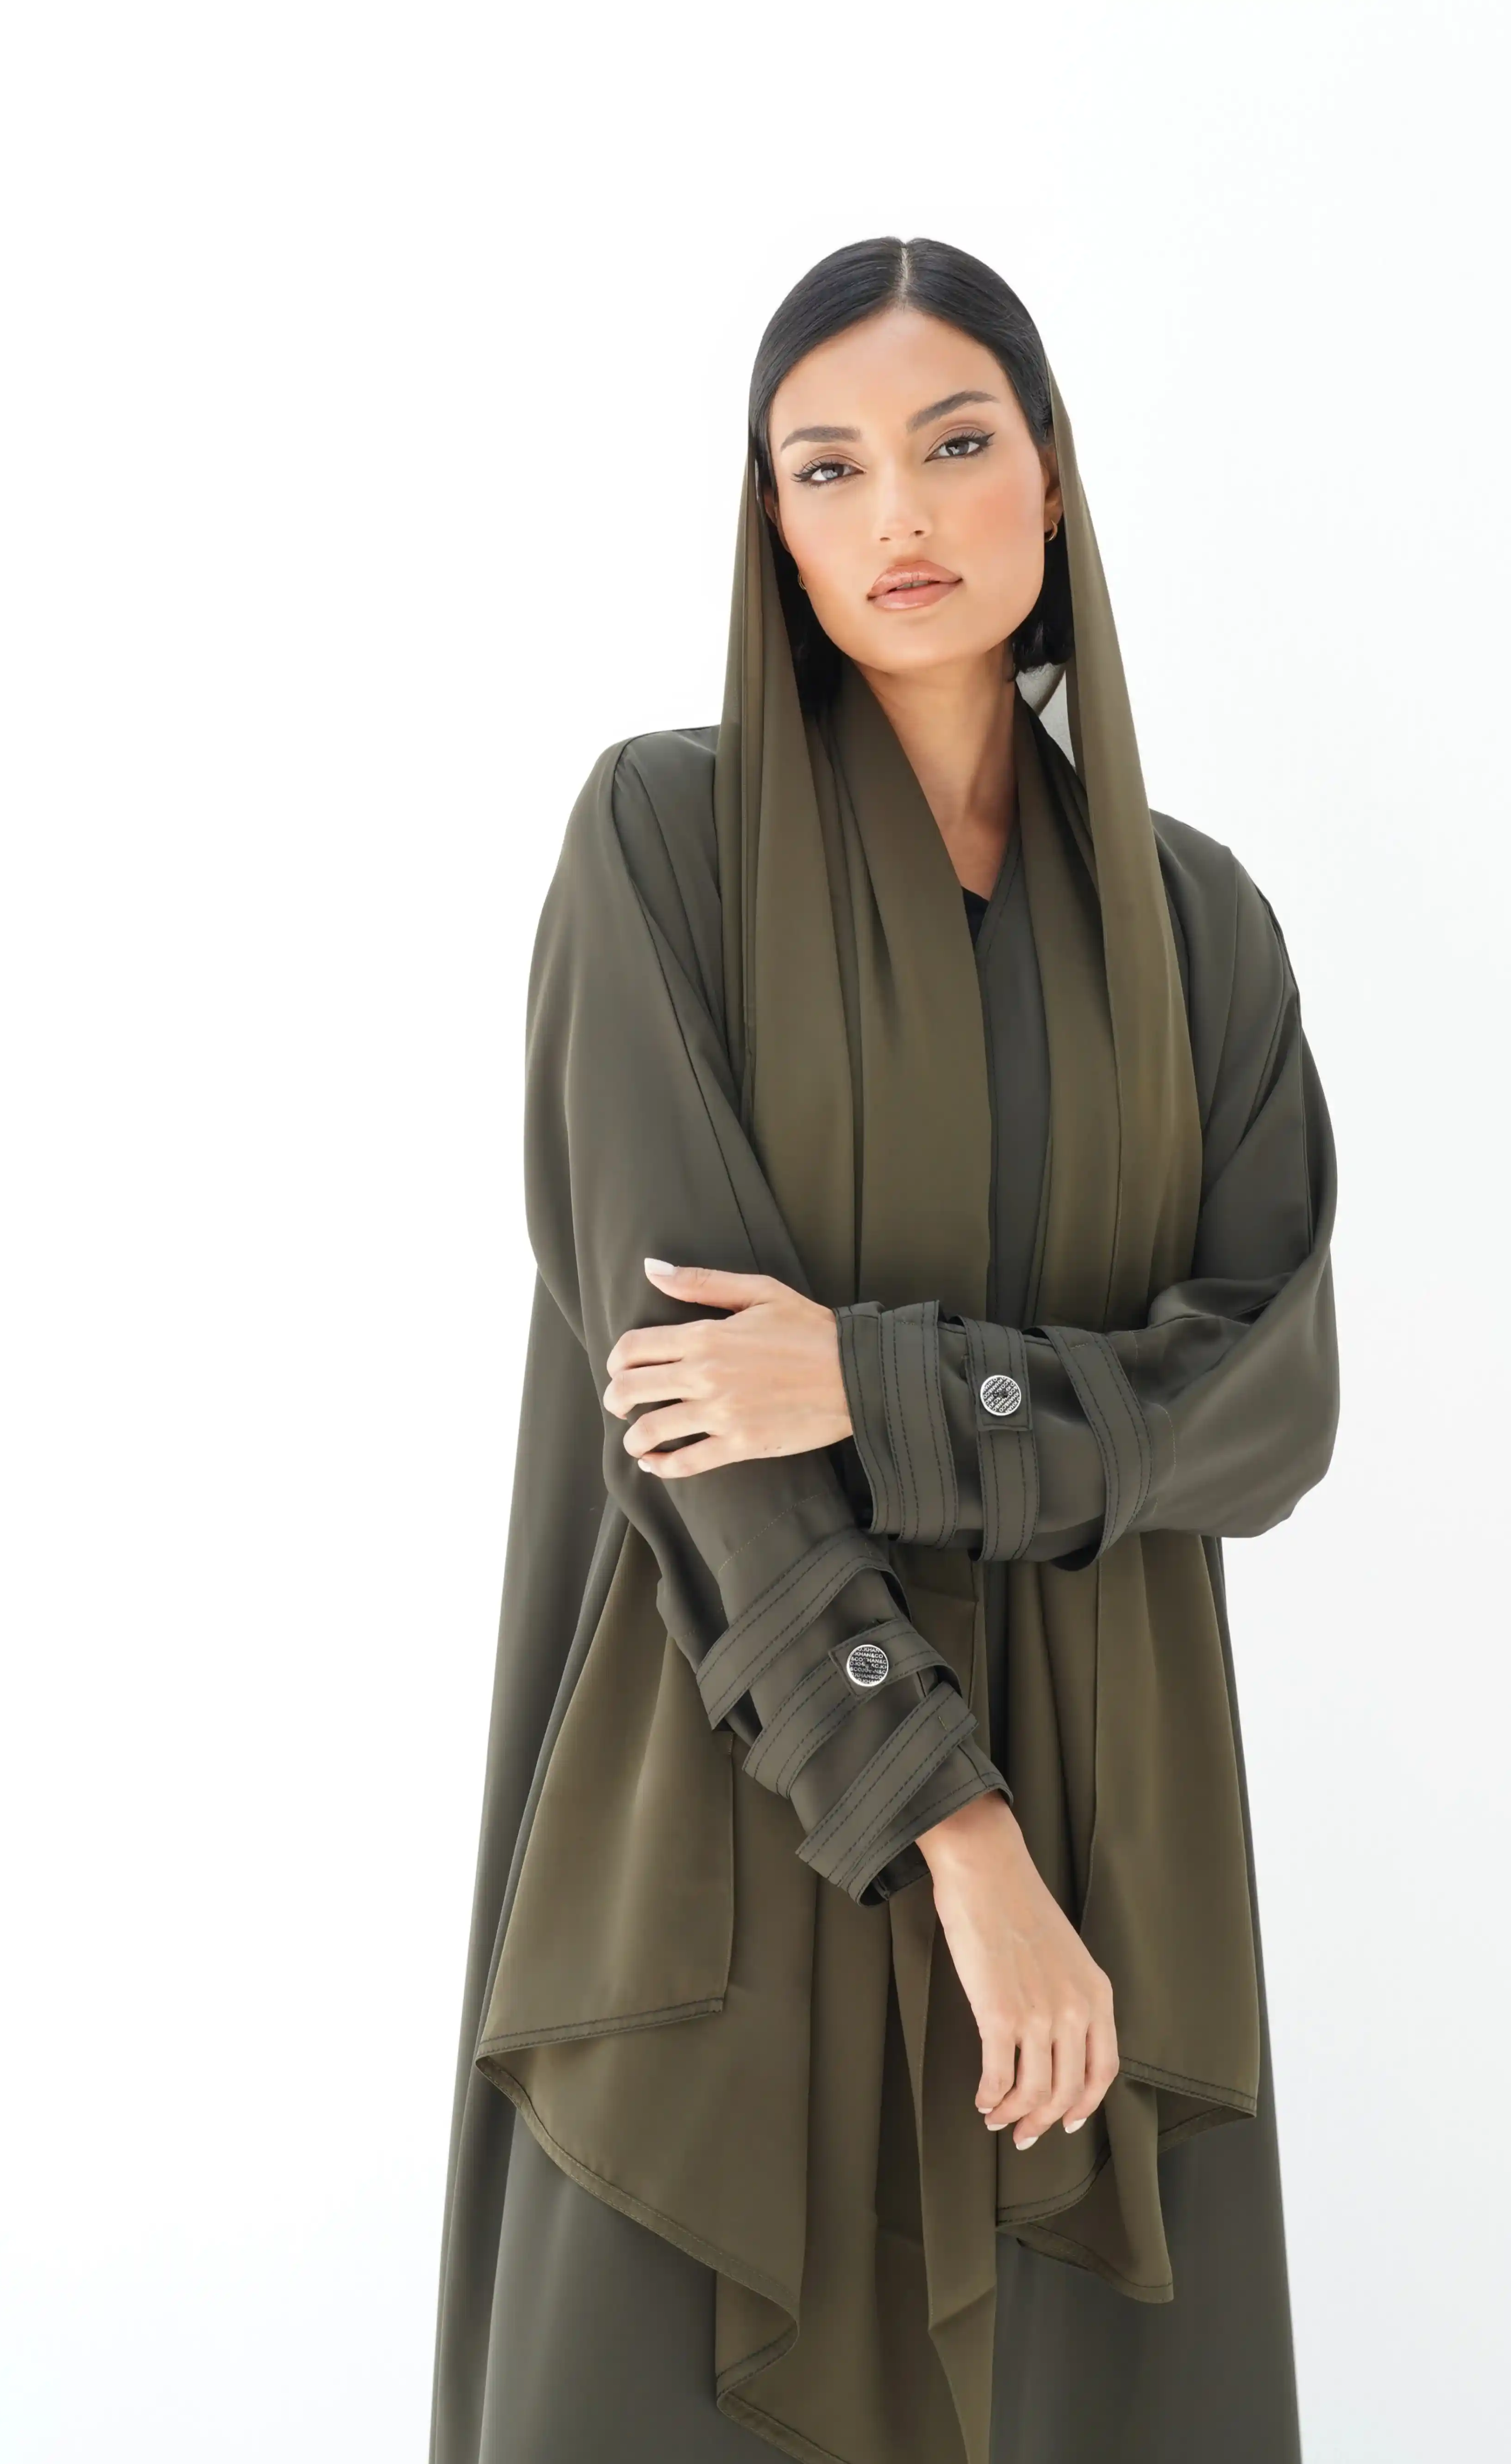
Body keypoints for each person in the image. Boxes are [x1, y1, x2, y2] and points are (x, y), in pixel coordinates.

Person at [430, 235, 1339, 2464]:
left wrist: (882, 1383)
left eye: (953, 444)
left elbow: (1269, 1403)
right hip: (738, 1842)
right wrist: (967, 1842)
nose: (899, 514)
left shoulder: (1201, 931)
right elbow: (694, 1430)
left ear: (1055, 476)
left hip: (1114, 1876)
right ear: (773, 523)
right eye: (826, 468)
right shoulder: (659, 848)